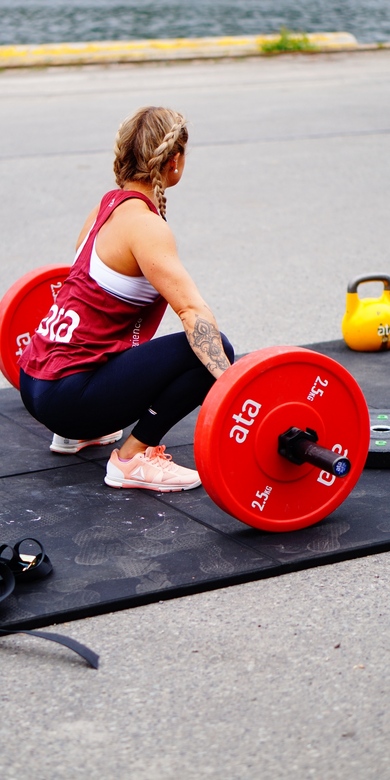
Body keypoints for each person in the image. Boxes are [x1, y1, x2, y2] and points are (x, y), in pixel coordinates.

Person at [19, 106, 234, 492]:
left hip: (34, 381)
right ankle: (132, 458)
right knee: (213, 349)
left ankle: (76, 435)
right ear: (175, 161)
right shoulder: (147, 226)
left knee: (121, 339)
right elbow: (192, 311)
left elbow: (86, 297)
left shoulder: (105, 207)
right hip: (68, 399)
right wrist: (234, 383)